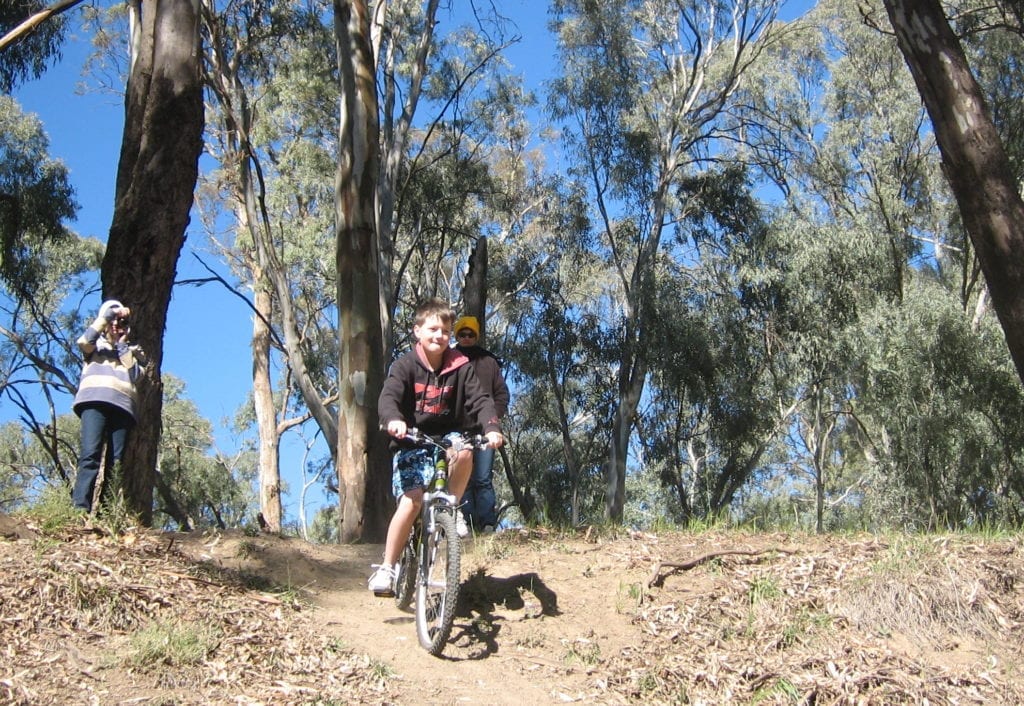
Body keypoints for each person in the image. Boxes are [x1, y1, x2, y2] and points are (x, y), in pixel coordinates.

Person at [370, 298, 504, 595]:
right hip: (412, 439)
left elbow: (481, 400)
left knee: (466, 450)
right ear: (417, 331)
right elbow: (388, 397)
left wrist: (491, 428)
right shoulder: (405, 366)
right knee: (412, 500)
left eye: (445, 330)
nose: (439, 335)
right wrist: (393, 419)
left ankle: (450, 508)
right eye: (432, 329)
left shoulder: (461, 366)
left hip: (449, 435)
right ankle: (388, 567)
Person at [70, 299, 147, 513]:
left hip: (122, 407)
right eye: (113, 322)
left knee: (116, 463)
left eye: (121, 322)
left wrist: (123, 345)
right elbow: (83, 341)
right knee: (90, 454)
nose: (116, 326)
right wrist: (107, 317)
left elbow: (136, 375)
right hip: (94, 401)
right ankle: (80, 508)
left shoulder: (132, 352)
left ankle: (106, 515)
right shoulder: (95, 347)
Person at [453, 314, 510, 534]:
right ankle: (464, 524)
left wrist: (492, 420)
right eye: (462, 334)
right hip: (458, 431)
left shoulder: (489, 362)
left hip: (486, 431)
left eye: (470, 334)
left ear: (476, 336)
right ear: (457, 335)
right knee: (462, 479)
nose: (466, 338)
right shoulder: (450, 359)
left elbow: (502, 394)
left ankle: (487, 524)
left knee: (483, 478)